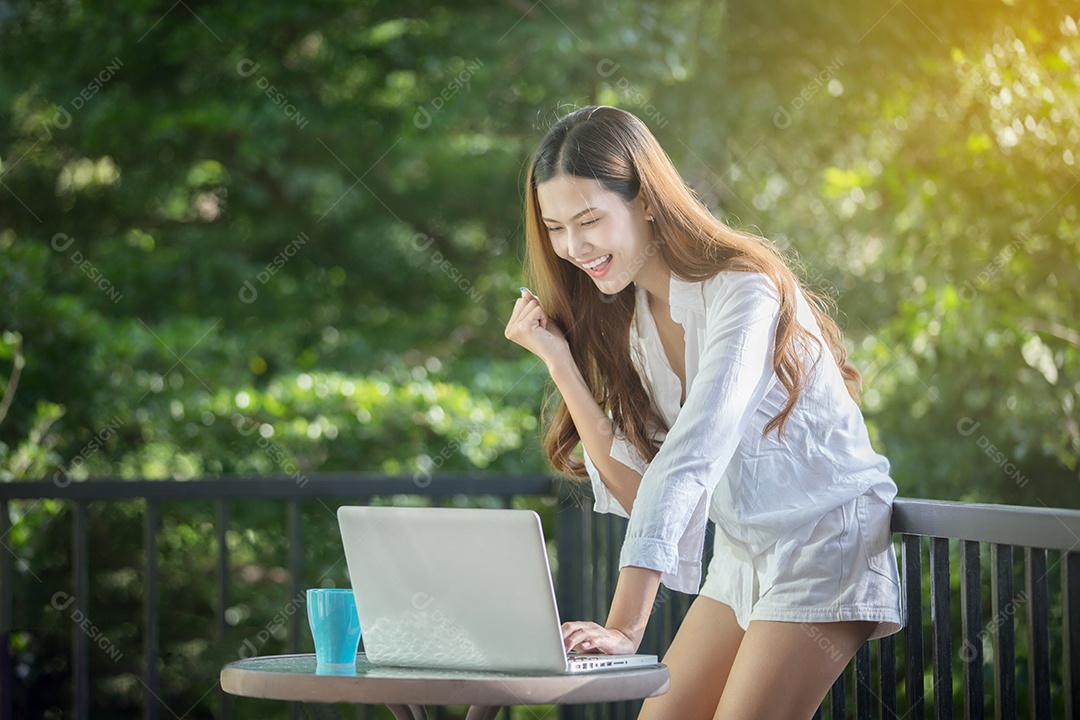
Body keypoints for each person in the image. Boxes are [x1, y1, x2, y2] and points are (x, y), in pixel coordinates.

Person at [504, 105, 904, 719]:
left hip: (824, 540)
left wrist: (624, 628)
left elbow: (694, 455)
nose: (573, 248)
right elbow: (646, 493)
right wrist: (560, 363)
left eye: (589, 221)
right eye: (556, 228)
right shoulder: (633, 317)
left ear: (644, 201)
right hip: (743, 553)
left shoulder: (745, 288)